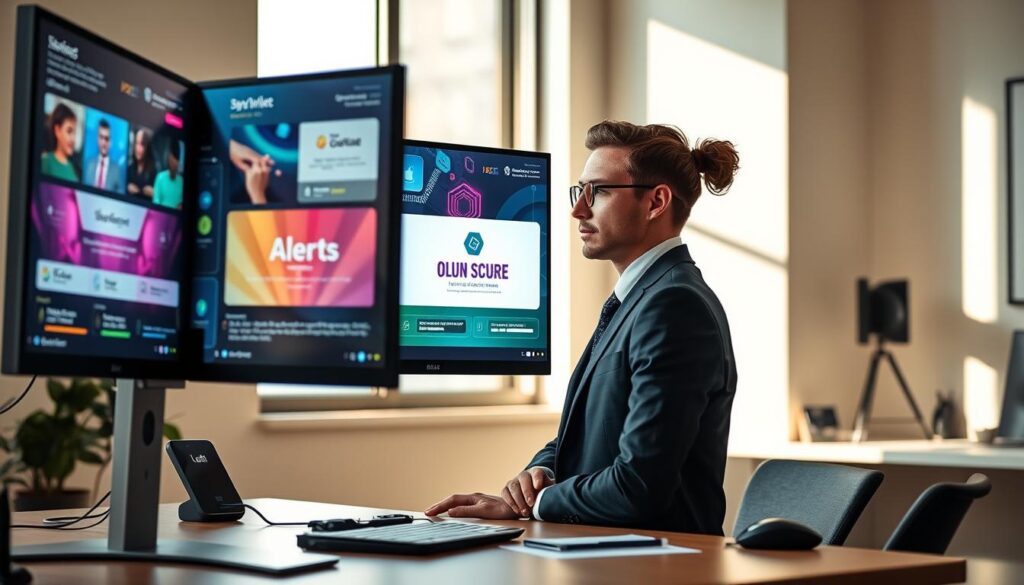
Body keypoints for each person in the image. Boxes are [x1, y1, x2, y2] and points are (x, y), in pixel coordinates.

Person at [426, 121, 740, 534]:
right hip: (606, 554)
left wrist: (537, 505)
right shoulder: (642, 298)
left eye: (600, 191)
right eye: (580, 191)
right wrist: (534, 478)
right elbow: (589, 437)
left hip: (658, 567)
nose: (578, 209)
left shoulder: (673, 306)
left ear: (656, 202)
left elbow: (638, 485)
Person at [40, 102, 79, 182]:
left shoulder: (72, 168)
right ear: (57, 130)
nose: (73, 139)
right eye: (69, 131)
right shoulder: (46, 162)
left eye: (74, 133)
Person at [84, 118, 123, 192]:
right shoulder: (88, 164)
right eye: (101, 137)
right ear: (97, 138)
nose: (103, 143)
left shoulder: (117, 170)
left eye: (106, 139)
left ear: (110, 141)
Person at [153, 139, 183, 209]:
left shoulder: (181, 182)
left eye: (176, 161)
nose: (174, 164)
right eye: (172, 160)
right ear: (169, 159)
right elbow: (156, 201)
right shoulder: (160, 177)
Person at [126, 127, 156, 198]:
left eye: (142, 145)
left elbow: (157, 197)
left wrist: (153, 193)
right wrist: (127, 187)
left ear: (147, 147)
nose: (138, 148)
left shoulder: (153, 171)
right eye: (136, 143)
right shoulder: (130, 169)